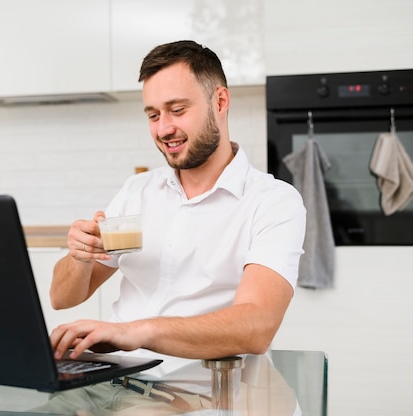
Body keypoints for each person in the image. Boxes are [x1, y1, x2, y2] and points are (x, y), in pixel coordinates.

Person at [38, 40, 306, 415]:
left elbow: (257, 325)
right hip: (110, 377)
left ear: (221, 102)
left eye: (177, 110)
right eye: (152, 115)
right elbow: (62, 297)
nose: (164, 128)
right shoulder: (138, 192)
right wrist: (79, 257)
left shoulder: (273, 200)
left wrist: (133, 332)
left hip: (204, 389)